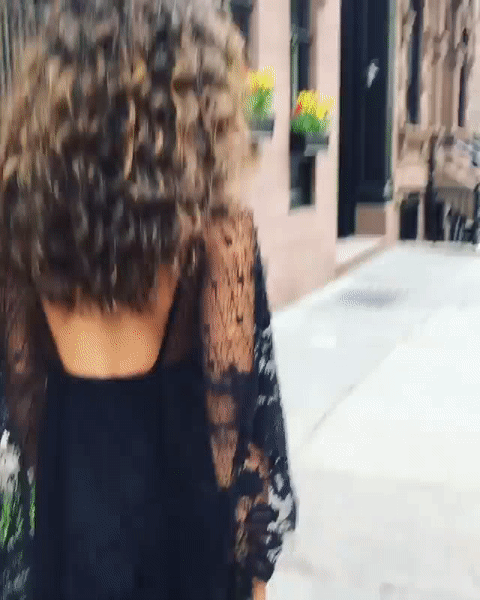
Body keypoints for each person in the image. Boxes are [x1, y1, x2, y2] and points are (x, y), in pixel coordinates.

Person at [0, 0, 297, 599]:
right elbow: (246, 433)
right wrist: (253, 581)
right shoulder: (219, 234)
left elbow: (21, 409)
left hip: (71, 536)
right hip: (185, 548)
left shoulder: (18, 227)